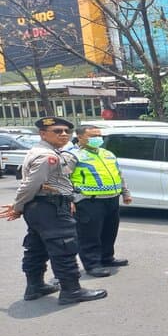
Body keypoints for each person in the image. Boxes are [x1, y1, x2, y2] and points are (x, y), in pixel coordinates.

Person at [0, 117, 107, 304]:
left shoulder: (48, 151)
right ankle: (72, 291)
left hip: (42, 207)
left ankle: (35, 286)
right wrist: (17, 207)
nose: (64, 134)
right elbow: (29, 185)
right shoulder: (46, 156)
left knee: (37, 247)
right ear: (43, 134)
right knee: (64, 247)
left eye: (66, 131)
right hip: (50, 207)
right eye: (57, 131)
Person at [68, 125, 131, 277]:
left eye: (99, 135)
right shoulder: (72, 155)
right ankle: (92, 264)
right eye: (93, 136)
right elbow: (63, 178)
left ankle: (107, 258)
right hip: (89, 201)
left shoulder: (107, 153)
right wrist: (69, 199)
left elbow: (118, 174)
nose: (97, 138)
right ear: (80, 137)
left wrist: (125, 193)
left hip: (111, 199)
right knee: (90, 235)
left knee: (109, 231)